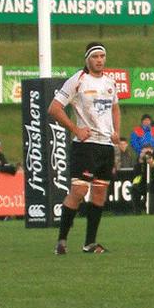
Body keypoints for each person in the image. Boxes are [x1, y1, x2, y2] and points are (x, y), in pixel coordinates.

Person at [48, 42, 122, 255]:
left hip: (105, 146)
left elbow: (115, 108)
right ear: (87, 59)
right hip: (86, 146)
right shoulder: (78, 80)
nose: (99, 60)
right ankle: (61, 241)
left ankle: (90, 243)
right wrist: (75, 129)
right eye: (95, 56)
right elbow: (54, 108)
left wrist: (117, 131)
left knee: (99, 194)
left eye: (102, 56)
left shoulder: (110, 82)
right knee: (79, 191)